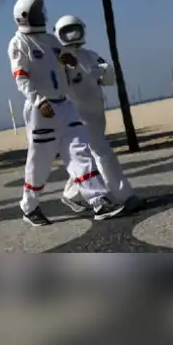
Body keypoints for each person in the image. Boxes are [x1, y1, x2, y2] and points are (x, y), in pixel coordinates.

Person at [8, 0, 125, 226]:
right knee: (40, 160)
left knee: (79, 151)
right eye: (37, 12)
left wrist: (70, 62)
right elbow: (21, 77)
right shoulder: (19, 43)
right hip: (41, 109)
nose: (42, 15)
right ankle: (29, 207)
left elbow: (64, 59)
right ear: (24, 17)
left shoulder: (51, 41)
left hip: (64, 105)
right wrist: (39, 100)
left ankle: (98, 200)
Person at [53, 15, 138, 213]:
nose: (72, 35)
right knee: (103, 153)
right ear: (58, 33)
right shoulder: (60, 60)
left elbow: (108, 75)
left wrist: (99, 71)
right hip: (78, 113)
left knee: (91, 156)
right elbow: (65, 84)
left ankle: (71, 194)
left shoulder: (89, 54)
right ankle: (123, 195)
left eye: (75, 29)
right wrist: (76, 69)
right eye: (67, 31)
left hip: (96, 110)